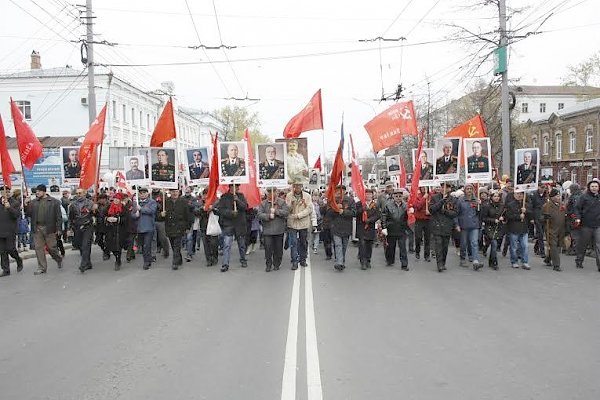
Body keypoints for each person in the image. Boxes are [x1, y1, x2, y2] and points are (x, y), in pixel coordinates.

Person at [25, 184, 63, 275]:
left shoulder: (54, 202)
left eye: (38, 191)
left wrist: (58, 228)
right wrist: (26, 204)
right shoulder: (33, 202)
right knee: (38, 248)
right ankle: (42, 267)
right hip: (37, 228)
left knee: (51, 248)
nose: (37, 193)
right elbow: (29, 214)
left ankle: (58, 258)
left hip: (49, 228)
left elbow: (59, 217)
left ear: (44, 191)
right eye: (36, 191)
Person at [213, 184, 248, 271]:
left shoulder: (241, 196)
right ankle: (225, 264)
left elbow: (245, 207)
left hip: (239, 224)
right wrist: (231, 213)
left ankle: (243, 259)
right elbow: (221, 210)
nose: (235, 188)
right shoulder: (224, 197)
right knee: (227, 244)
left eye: (236, 187)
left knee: (241, 244)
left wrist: (238, 201)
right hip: (228, 224)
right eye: (233, 187)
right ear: (230, 187)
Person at [258, 187, 289, 272]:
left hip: (279, 230)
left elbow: (286, 212)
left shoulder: (282, 202)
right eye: (269, 192)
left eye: (273, 192)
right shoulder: (263, 203)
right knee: (268, 249)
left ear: (276, 192)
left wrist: (276, 211)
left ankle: (277, 263)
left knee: (278, 249)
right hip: (267, 230)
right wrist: (268, 216)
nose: (271, 194)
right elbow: (259, 214)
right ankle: (268, 264)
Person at [326, 185, 356, 271]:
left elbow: (354, 212)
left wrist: (343, 211)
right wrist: (335, 208)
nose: (340, 192)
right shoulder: (332, 200)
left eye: (342, 191)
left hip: (346, 227)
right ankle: (339, 262)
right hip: (336, 226)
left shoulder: (350, 200)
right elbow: (327, 214)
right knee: (338, 244)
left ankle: (342, 260)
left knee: (344, 246)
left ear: (345, 191)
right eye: (338, 190)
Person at [429, 185, 458, 272]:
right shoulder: (434, 197)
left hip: (447, 226)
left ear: (450, 189)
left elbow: (455, 213)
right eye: (443, 186)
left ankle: (443, 262)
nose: (445, 188)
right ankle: (439, 264)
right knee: (438, 246)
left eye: (447, 187)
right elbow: (431, 209)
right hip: (437, 225)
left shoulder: (453, 199)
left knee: (445, 247)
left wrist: (445, 211)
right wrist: (441, 202)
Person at [162, 188, 193, 270]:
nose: (174, 193)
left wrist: (188, 227)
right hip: (169, 227)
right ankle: (179, 259)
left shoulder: (183, 202)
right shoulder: (166, 202)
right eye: (173, 192)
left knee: (177, 245)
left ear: (179, 192)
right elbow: (160, 216)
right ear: (170, 192)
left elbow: (188, 215)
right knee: (173, 245)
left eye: (176, 191)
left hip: (180, 227)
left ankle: (175, 263)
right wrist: (161, 215)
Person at [286, 182, 313, 270]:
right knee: (293, 243)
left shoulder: (307, 196)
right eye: (295, 185)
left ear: (301, 186)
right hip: (292, 223)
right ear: (293, 186)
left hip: (303, 223)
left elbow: (309, 209)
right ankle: (294, 261)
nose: (297, 187)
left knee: (303, 242)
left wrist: (299, 215)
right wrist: (291, 205)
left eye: (299, 185)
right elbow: (287, 209)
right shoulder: (289, 195)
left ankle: (303, 259)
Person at [574, 180, 600, 270]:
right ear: (589, 187)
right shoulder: (584, 197)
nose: (594, 188)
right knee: (583, 245)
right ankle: (579, 260)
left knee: (598, 245)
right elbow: (577, 208)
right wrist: (578, 218)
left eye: (596, 186)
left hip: (598, 225)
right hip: (586, 225)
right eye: (592, 186)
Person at [69, 188, 96, 273]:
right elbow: (71, 217)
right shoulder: (73, 205)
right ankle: (88, 262)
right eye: (77, 193)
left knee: (85, 245)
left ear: (84, 194)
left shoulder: (90, 203)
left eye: (80, 193)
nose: (78, 195)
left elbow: (96, 214)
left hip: (87, 226)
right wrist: (70, 228)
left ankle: (83, 264)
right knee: (80, 245)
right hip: (77, 226)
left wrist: (95, 209)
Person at [456, 183, 483, 270]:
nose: (469, 190)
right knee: (463, 243)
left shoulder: (476, 200)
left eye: (470, 188)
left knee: (474, 243)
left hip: (474, 225)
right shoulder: (460, 200)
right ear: (464, 190)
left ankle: (475, 261)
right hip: (463, 225)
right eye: (467, 189)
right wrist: (456, 224)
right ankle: (462, 259)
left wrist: (480, 205)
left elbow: (480, 214)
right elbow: (456, 213)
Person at [381, 188, 409, 270]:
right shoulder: (388, 205)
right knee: (390, 247)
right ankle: (390, 260)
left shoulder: (406, 206)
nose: (398, 197)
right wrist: (384, 227)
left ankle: (404, 264)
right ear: (393, 196)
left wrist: (411, 212)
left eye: (400, 196)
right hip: (391, 229)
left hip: (401, 229)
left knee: (403, 248)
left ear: (402, 197)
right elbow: (384, 216)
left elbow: (408, 218)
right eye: (396, 196)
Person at [505, 191, 533, 269]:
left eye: (521, 194)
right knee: (514, 247)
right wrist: (518, 216)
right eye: (518, 194)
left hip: (524, 229)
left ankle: (525, 262)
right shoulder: (510, 205)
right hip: (513, 228)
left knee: (525, 246)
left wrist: (526, 211)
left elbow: (531, 214)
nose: (519, 195)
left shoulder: (526, 204)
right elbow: (508, 216)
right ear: (514, 195)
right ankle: (514, 261)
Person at [356, 189, 380, 270]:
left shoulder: (375, 205)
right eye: (366, 194)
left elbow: (377, 215)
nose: (368, 196)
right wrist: (362, 209)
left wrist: (370, 220)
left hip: (370, 228)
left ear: (372, 195)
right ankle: (362, 262)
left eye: (370, 194)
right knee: (362, 245)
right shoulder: (359, 204)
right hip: (361, 228)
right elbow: (355, 213)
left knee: (369, 246)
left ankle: (368, 260)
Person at [134, 187, 158, 270]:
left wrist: (141, 209)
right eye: (141, 193)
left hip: (149, 227)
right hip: (139, 228)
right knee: (142, 246)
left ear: (147, 194)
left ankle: (146, 262)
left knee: (147, 245)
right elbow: (131, 214)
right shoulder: (136, 203)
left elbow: (151, 211)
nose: (142, 194)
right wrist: (135, 215)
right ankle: (148, 259)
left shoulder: (152, 202)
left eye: (144, 192)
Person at [542, 188, 566, 272]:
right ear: (552, 197)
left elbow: (565, 216)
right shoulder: (547, 206)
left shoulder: (562, 205)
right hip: (551, 229)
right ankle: (556, 265)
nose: (558, 197)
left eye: (559, 195)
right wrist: (544, 217)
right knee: (553, 246)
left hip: (561, 229)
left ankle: (548, 259)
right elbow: (540, 218)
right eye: (556, 195)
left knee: (558, 246)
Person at [0, 194, 23, 276]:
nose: (6, 193)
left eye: (8, 191)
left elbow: (17, 215)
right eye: (3, 191)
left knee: (10, 249)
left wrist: (9, 207)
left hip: (10, 230)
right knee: (2, 251)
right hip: (1, 230)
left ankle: (18, 259)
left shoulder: (15, 203)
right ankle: (6, 270)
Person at [104, 192, 129, 270]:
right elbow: (103, 216)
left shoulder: (124, 208)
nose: (116, 200)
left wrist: (117, 219)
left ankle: (118, 261)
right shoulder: (108, 207)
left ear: (120, 200)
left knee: (118, 246)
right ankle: (115, 255)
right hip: (110, 230)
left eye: (117, 199)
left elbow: (126, 218)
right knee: (111, 245)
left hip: (120, 230)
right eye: (114, 198)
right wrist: (107, 219)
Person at [481, 191, 505, 270]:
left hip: (499, 228)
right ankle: (494, 262)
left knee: (494, 244)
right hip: (490, 228)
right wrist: (493, 220)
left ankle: (491, 261)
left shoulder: (502, 206)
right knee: (494, 244)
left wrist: (503, 218)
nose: (496, 197)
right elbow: (484, 218)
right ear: (491, 197)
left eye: (498, 196)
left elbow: (505, 215)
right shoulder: (487, 206)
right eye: (495, 196)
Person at [413, 187, 431, 262]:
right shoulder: (417, 196)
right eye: (422, 187)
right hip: (419, 220)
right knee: (418, 237)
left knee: (427, 238)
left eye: (425, 187)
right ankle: (417, 252)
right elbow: (418, 206)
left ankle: (427, 255)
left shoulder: (431, 196)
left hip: (428, 220)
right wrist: (424, 198)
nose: (423, 188)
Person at [530, 183, 548, 256]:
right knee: (540, 234)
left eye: (544, 188)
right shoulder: (534, 195)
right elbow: (531, 207)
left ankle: (536, 247)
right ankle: (542, 251)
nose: (543, 189)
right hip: (536, 215)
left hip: (544, 216)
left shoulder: (546, 196)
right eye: (542, 187)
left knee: (540, 233)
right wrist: (531, 218)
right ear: (538, 187)